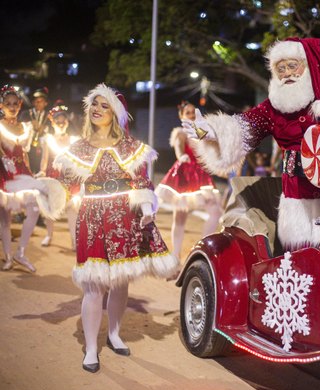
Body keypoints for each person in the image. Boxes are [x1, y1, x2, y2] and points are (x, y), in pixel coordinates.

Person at [183, 37, 320, 250]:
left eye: (291, 66)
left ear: (307, 65)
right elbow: (243, 127)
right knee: (304, 259)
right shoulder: (274, 107)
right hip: (300, 199)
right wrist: (210, 131)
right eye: (280, 68)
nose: (286, 73)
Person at [53, 83, 178, 373]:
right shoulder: (79, 147)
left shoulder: (131, 148)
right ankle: (91, 348)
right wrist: (46, 189)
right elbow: (64, 181)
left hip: (125, 216)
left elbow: (143, 183)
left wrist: (147, 208)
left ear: (116, 113)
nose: (96, 109)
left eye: (104, 105)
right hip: (93, 217)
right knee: (94, 285)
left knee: (121, 281)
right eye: (93, 104)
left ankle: (114, 334)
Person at [0, 85, 64, 272]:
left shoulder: (25, 127)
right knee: (5, 220)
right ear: (2, 105)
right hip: (4, 174)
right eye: (7, 104)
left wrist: (29, 169)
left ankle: (20, 252)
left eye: (15, 103)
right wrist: (3, 158)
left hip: (22, 173)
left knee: (34, 207)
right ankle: (8, 257)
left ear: (20, 105)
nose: (12, 107)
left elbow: (25, 152)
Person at [155, 101, 222, 261]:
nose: (191, 115)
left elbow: (209, 148)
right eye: (188, 113)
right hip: (185, 175)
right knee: (180, 216)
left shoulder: (199, 132)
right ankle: (176, 254)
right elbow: (179, 148)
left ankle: (201, 247)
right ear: (181, 116)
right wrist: (181, 156)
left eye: (193, 112)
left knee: (216, 212)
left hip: (201, 176)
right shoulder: (181, 133)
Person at [36, 103, 80, 248]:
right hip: (53, 175)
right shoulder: (47, 139)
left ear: (67, 122)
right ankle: (49, 235)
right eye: (58, 120)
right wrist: (42, 171)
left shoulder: (74, 140)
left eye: (63, 120)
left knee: (72, 208)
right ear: (52, 122)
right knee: (51, 206)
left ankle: (74, 239)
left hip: (70, 177)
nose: (61, 123)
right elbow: (44, 157)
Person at [21, 87, 50, 174]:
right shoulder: (26, 114)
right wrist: (29, 124)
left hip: (42, 148)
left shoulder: (49, 116)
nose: (38, 103)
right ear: (33, 102)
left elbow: (52, 131)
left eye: (41, 101)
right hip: (28, 147)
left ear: (46, 103)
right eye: (36, 101)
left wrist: (44, 129)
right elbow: (19, 125)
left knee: (40, 169)